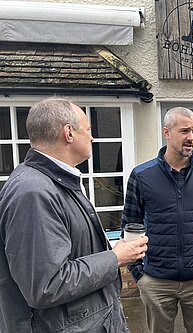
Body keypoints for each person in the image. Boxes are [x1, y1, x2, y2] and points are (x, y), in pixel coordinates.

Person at [0, 97, 148, 332]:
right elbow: (46, 285)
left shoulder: (55, 181)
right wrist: (115, 257)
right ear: (69, 133)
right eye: (88, 129)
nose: (92, 137)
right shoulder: (33, 192)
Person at [121, 107, 193, 333]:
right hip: (156, 281)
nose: (191, 137)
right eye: (184, 131)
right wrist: (138, 274)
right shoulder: (142, 175)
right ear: (167, 132)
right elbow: (130, 225)